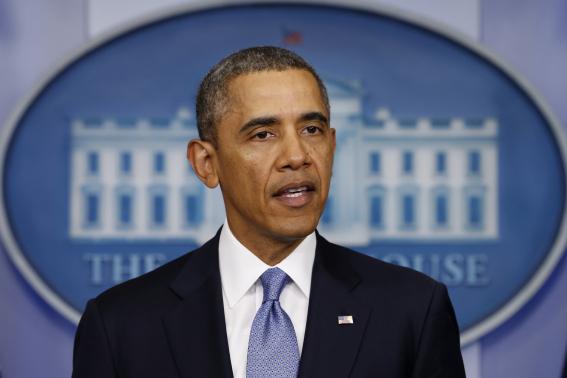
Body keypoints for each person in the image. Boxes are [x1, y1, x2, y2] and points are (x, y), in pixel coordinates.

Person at [72, 46, 465, 378]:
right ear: (207, 163)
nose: (297, 156)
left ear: (332, 145)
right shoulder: (120, 324)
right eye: (263, 134)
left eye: (311, 130)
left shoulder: (413, 310)